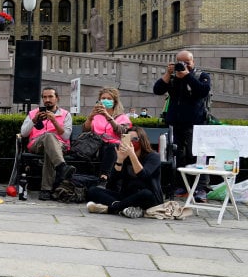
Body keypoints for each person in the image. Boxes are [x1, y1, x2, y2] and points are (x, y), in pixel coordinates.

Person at [153, 50, 211, 201]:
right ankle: (180, 186)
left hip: (195, 123)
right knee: (177, 155)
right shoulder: (172, 78)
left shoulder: (201, 76)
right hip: (174, 123)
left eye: (187, 62)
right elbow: (157, 90)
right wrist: (168, 74)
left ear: (193, 62)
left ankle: (200, 188)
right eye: (181, 62)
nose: (184, 65)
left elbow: (203, 91)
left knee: (197, 156)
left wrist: (187, 76)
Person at [86, 126, 163, 218]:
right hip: (127, 196)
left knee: (145, 193)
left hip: (149, 198)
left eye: (134, 139)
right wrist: (119, 160)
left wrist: (132, 154)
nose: (131, 142)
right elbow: (111, 185)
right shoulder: (125, 157)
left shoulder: (153, 156)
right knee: (92, 191)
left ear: (142, 140)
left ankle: (110, 208)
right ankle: (123, 208)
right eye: (128, 138)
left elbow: (143, 175)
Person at [19, 87, 74, 200]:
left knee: (50, 149)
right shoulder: (33, 113)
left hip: (60, 145)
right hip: (37, 144)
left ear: (57, 98)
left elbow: (66, 136)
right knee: (48, 136)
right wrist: (34, 120)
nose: (47, 99)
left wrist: (54, 121)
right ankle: (61, 168)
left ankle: (46, 190)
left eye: (50, 97)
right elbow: (23, 133)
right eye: (45, 97)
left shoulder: (65, 114)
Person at [82, 87, 132, 187]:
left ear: (115, 101)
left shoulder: (122, 117)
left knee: (111, 146)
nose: (106, 100)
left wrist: (108, 117)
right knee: (106, 147)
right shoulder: (96, 116)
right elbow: (85, 130)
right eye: (103, 98)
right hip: (96, 147)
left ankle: (104, 177)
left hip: (116, 149)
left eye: (109, 99)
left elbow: (122, 132)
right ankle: (103, 179)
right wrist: (91, 117)